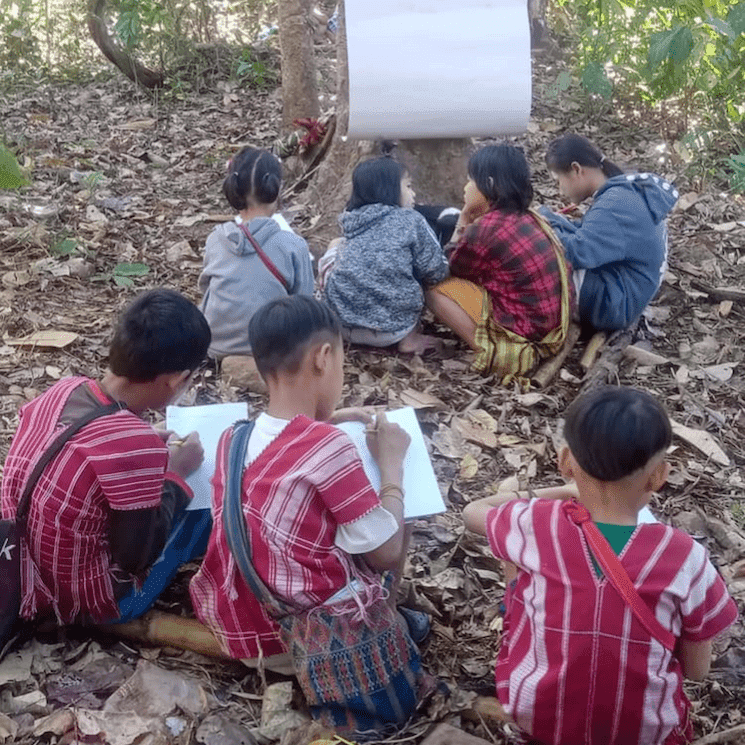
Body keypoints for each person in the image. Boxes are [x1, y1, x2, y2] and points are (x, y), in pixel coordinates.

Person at [190, 295, 431, 735]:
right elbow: (384, 552)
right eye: (341, 361)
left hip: (240, 625)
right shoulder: (330, 448)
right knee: (399, 518)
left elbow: (287, 451)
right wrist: (392, 465)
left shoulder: (233, 439)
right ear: (324, 358)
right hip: (300, 642)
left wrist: (333, 419)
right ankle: (384, 623)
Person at [463, 386, 738, 745]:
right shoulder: (686, 557)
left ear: (565, 463)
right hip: (642, 732)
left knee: (516, 565)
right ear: (658, 476)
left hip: (537, 716)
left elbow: (473, 511)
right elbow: (698, 671)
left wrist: (565, 490)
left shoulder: (536, 524)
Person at [0, 289, 212, 626]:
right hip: (87, 604)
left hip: (18, 563)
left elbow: (80, 444)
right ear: (176, 380)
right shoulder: (133, 443)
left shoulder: (63, 389)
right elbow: (135, 558)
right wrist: (175, 473)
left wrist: (146, 449)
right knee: (202, 512)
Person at [426, 144, 573, 386]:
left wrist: (463, 218)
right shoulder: (529, 216)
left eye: (470, 180)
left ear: (490, 184)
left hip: (522, 340)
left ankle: (487, 352)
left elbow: (447, 268)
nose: (465, 187)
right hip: (550, 332)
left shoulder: (487, 228)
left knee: (434, 289)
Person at [199, 146, 314, 389]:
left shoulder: (215, 239)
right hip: (272, 350)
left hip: (215, 345)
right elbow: (305, 303)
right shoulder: (293, 245)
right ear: (277, 187)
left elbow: (206, 288)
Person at [541, 133, 679, 332]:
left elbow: (577, 252)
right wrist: (548, 218)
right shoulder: (622, 193)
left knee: (537, 256)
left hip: (613, 305)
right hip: (624, 293)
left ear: (576, 170)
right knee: (555, 225)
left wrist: (537, 226)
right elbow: (587, 232)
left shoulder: (614, 204)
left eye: (558, 180)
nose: (559, 189)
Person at [320, 156, 449, 354]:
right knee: (417, 266)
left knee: (337, 246)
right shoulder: (411, 219)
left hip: (341, 326)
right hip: (394, 330)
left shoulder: (350, 219)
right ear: (390, 190)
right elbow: (436, 271)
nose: (413, 194)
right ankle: (411, 337)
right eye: (408, 186)